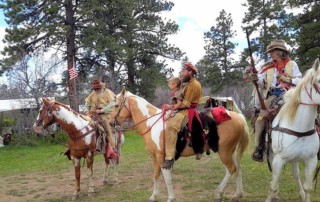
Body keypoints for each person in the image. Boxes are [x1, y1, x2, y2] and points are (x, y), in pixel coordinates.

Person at [251, 39, 302, 162]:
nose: (271, 54)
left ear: (280, 52)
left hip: (290, 94)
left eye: (273, 51)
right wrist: (255, 77)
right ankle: (259, 147)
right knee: (261, 118)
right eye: (270, 51)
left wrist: (289, 80)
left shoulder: (292, 64)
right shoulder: (267, 68)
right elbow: (261, 81)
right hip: (272, 96)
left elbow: (300, 80)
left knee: (307, 111)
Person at [161, 62, 204, 169]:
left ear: (190, 72)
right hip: (184, 110)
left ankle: (170, 157)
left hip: (188, 111)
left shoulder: (194, 84)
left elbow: (185, 104)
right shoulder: (188, 84)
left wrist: (170, 107)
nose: (181, 73)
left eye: (183, 71)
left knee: (171, 126)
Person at [85, 79, 118, 160]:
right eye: (95, 89)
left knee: (106, 128)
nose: (96, 90)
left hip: (104, 114)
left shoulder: (108, 92)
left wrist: (102, 110)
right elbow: (87, 104)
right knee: (82, 124)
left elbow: (112, 104)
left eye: (97, 88)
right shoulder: (93, 93)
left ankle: (112, 148)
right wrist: (87, 111)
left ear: (101, 87)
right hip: (92, 113)